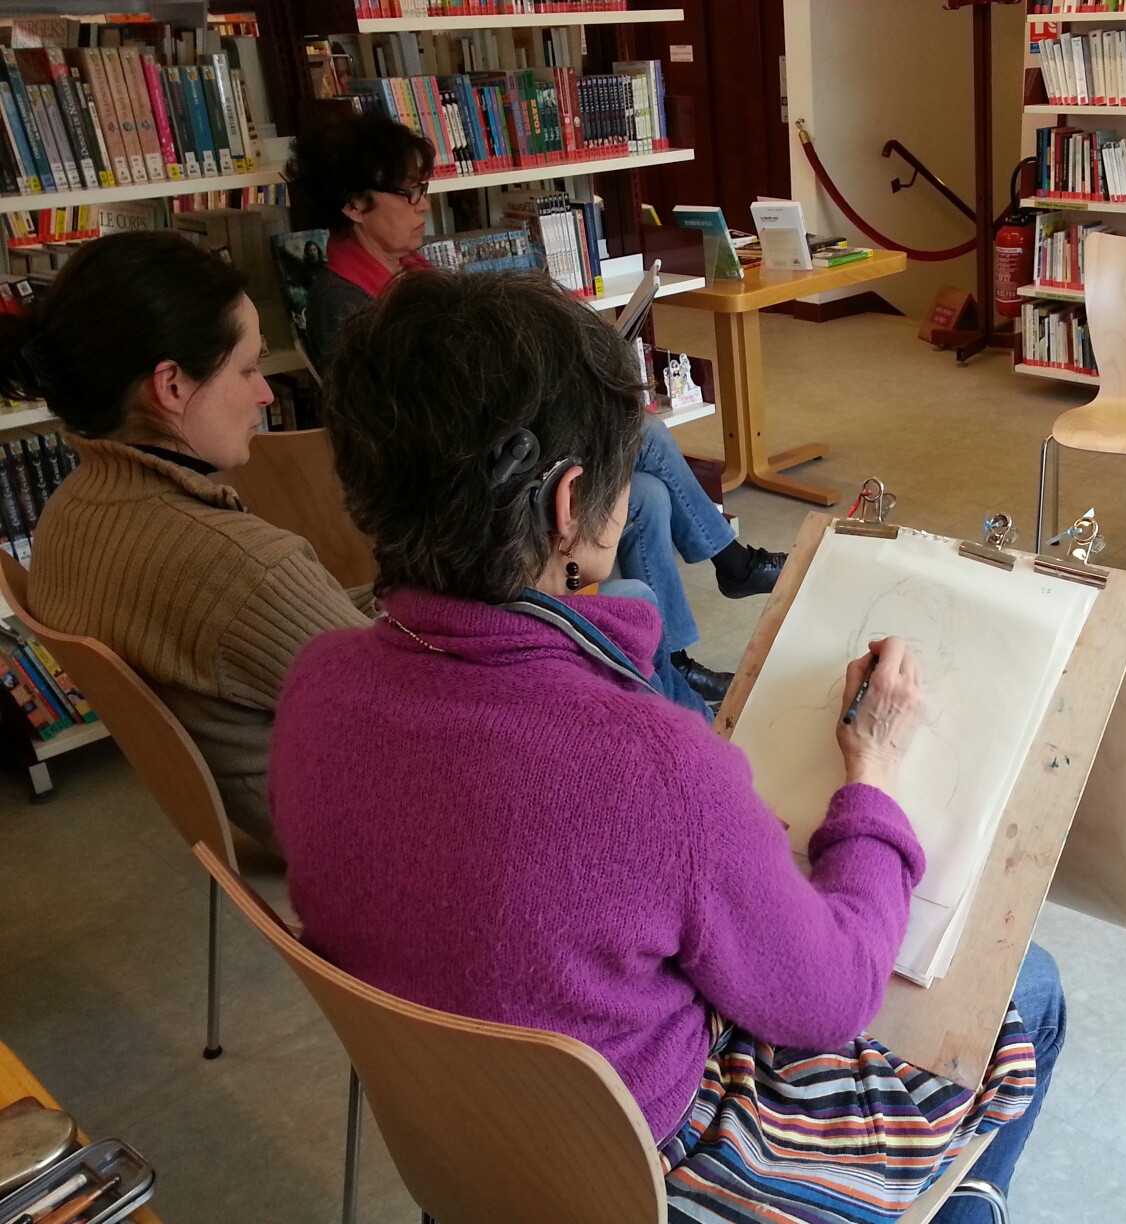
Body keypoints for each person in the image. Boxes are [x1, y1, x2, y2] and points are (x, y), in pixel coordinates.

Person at [269, 269, 1065, 1222]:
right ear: (570, 504)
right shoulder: (651, 764)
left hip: (464, 1143)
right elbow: (832, 999)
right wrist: (876, 771)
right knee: (1033, 987)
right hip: (638, 1169)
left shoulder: (316, 682)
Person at [286, 110, 782, 709]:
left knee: (648, 495)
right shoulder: (346, 307)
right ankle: (729, 567)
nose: (423, 205)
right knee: (640, 428)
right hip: (477, 478)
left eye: (423, 188)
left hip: (504, 443)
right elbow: (442, 421)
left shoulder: (411, 275)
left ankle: (670, 665)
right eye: (409, 192)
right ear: (353, 204)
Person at [0, 231, 375, 848]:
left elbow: (296, 635)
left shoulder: (66, 515)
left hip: (255, 818)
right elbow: (417, 711)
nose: (265, 392)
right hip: (358, 828)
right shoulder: (238, 565)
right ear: (171, 385)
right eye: (247, 368)